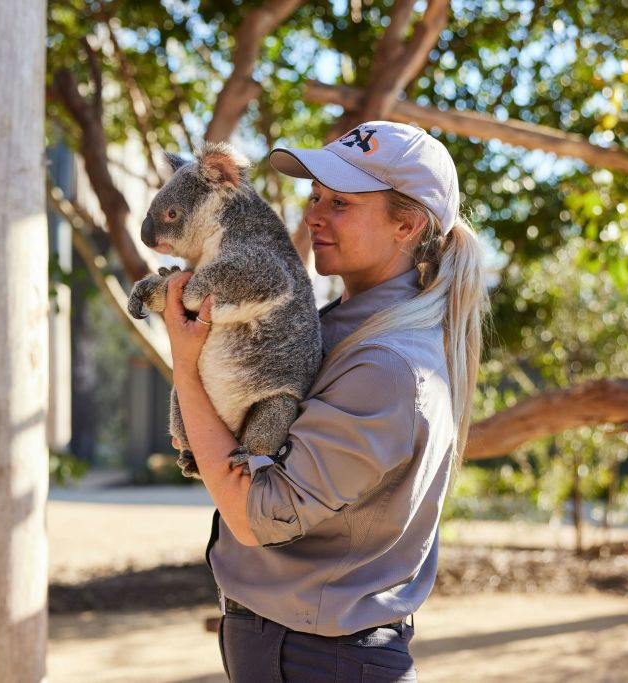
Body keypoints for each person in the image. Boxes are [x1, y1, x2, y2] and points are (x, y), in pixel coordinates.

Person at [161, 120, 490, 682]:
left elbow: (255, 515)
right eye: (315, 195)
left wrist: (187, 368)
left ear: (407, 225)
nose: (314, 215)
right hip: (296, 646)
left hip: (315, 657)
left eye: (341, 202)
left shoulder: (389, 365)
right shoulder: (337, 327)